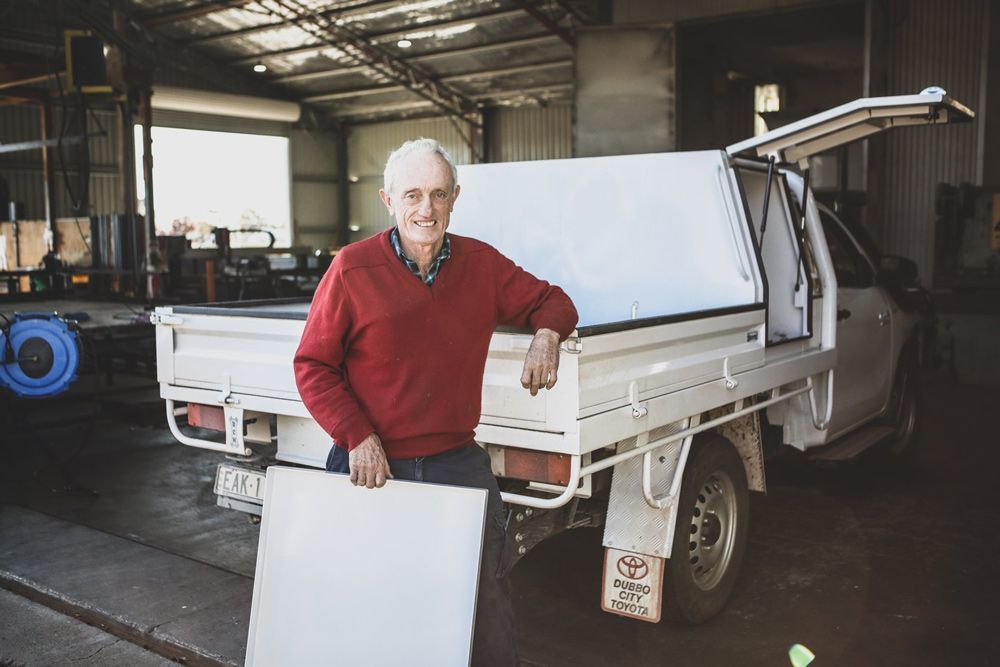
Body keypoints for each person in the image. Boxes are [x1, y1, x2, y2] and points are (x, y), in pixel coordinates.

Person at [293, 138, 578, 666]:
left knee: (484, 593)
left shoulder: (482, 264)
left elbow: (554, 300)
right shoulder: (353, 270)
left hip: (454, 459)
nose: (426, 209)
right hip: (373, 462)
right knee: (368, 596)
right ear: (388, 199)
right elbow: (312, 365)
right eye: (413, 195)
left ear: (455, 198)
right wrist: (355, 435)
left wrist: (546, 336)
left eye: (439, 194)